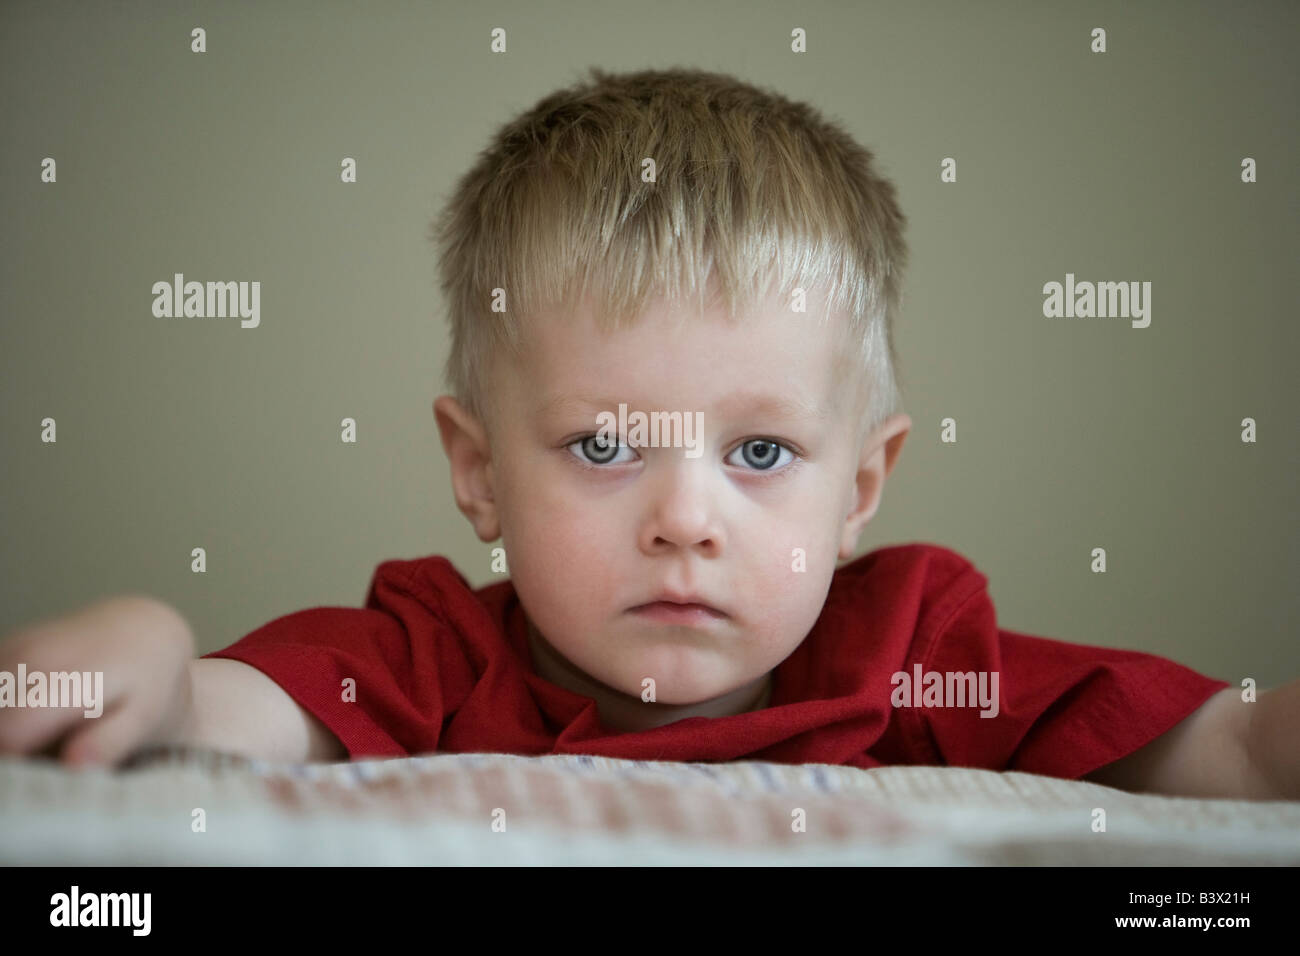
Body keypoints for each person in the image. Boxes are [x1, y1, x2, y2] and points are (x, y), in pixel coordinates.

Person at [1, 67, 1294, 800]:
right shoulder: (433, 658)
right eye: (607, 448)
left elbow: (1216, 746)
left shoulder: (909, 659)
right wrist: (160, 663)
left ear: (860, 484)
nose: (686, 518)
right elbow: (248, 714)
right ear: (477, 469)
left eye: (762, 455)